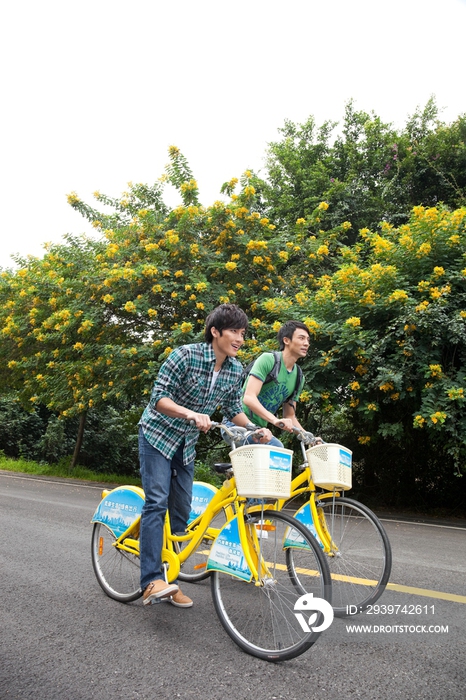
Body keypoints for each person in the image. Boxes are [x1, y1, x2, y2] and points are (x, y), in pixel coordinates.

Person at [138, 303, 272, 608]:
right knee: (157, 502)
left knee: (181, 516)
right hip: (157, 436)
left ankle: (168, 578)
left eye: (243, 333)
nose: (240, 338)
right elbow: (158, 398)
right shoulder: (185, 355)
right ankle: (150, 581)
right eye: (234, 332)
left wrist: (253, 429)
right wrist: (190, 413)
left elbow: (232, 410)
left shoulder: (235, 369)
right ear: (215, 331)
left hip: (185, 444)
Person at [223, 320, 311, 448]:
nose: (306, 343)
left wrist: (310, 438)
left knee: (276, 458)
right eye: (301, 338)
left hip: (260, 430)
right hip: (236, 424)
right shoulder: (269, 360)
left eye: (308, 340)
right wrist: (275, 420)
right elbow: (248, 397)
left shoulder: (298, 376)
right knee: (277, 450)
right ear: (286, 340)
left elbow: (290, 415)